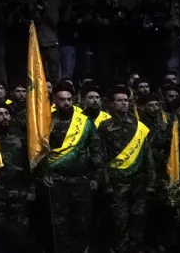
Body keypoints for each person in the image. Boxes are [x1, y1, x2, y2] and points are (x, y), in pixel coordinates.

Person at [43, 83, 105, 253]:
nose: (66, 103)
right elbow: (39, 152)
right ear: (54, 100)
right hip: (56, 181)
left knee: (82, 223)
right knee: (60, 224)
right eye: (62, 99)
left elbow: (96, 150)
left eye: (69, 99)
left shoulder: (84, 121)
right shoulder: (46, 121)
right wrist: (44, 174)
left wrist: (96, 177)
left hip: (82, 181)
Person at [97, 87, 155, 253]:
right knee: (119, 219)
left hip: (138, 181)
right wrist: (106, 183)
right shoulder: (104, 126)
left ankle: (136, 247)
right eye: (120, 100)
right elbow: (101, 156)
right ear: (111, 103)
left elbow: (147, 155)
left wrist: (151, 181)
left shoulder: (138, 125)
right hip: (116, 182)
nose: (124, 103)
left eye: (126, 100)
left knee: (139, 218)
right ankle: (120, 248)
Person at [0, 100, 33, 232]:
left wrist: (31, 189)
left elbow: (30, 164)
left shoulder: (21, 136)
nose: (4, 116)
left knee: (19, 228)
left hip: (18, 188)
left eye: (7, 113)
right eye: (0, 114)